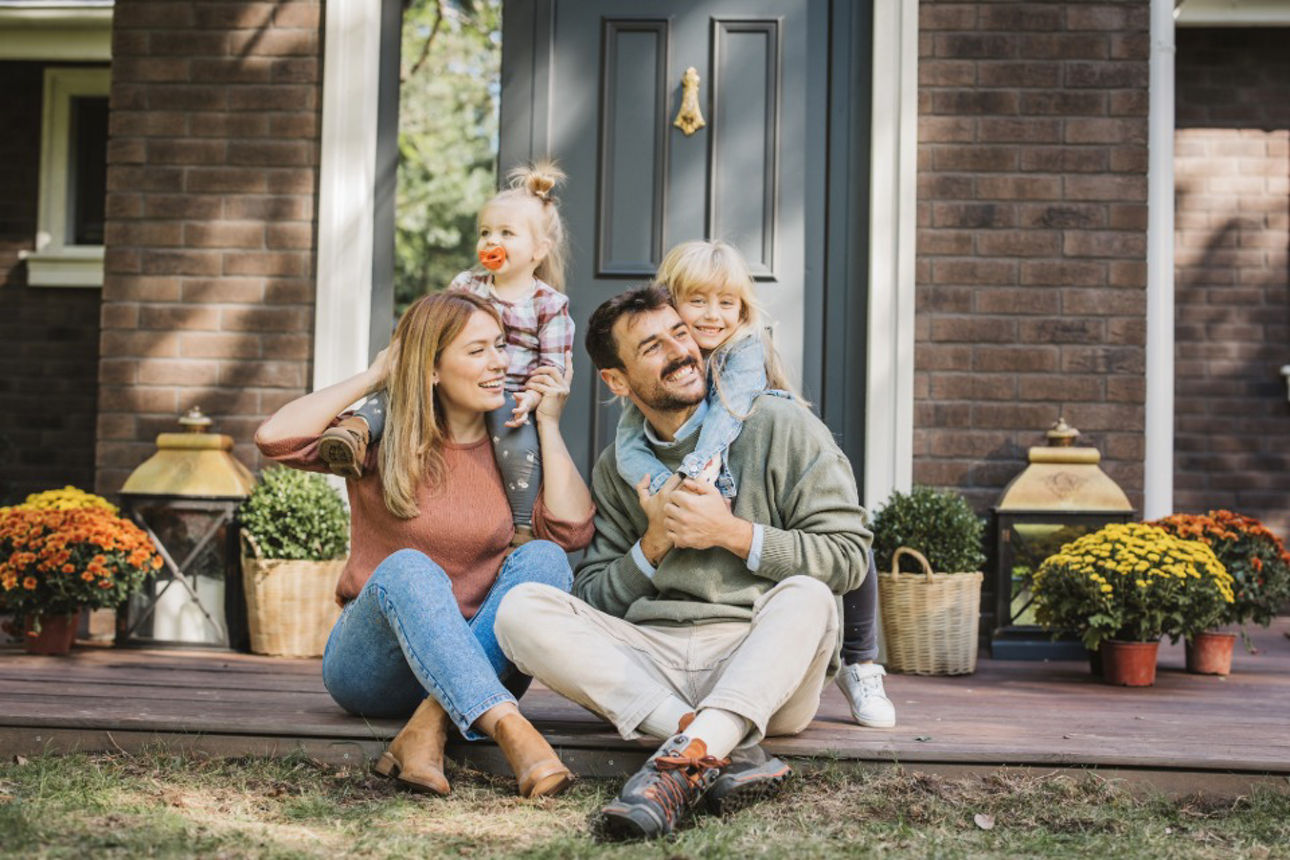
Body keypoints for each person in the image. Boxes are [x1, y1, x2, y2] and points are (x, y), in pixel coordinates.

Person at [494, 285, 873, 838]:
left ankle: (686, 753)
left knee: (810, 595)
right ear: (617, 381)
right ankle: (711, 744)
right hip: (654, 666)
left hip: (764, 663)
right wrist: (653, 542)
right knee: (520, 610)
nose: (681, 351)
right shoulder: (618, 467)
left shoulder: (779, 426)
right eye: (652, 346)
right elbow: (594, 595)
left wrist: (732, 533)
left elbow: (847, 556)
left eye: (680, 332)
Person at [254, 291, 594, 799]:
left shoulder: (515, 445)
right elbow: (275, 438)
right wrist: (376, 376)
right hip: (375, 668)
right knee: (410, 568)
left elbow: (571, 532)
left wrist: (548, 423)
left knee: (543, 558)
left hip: (480, 658)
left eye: (500, 346)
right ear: (431, 370)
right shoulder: (375, 437)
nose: (500, 362)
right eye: (477, 351)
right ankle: (512, 730)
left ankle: (427, 727)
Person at [616, 241, 895, 730]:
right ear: (668, 304)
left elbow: (728, 418)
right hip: (669, 642)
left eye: (727, 303)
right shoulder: (655, 378)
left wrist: (698, 475)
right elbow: (627, 442)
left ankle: (862, 662)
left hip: (757, 473)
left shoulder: (743, 356)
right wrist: (660, 496)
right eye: (697, 301)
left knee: (849, 542)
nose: (712, 316)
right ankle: (690, 722)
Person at [318, 163, 575, 546]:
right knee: (398, 391)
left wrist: (533, 398)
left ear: (539, 250)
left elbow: (552, 364)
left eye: (506, 233)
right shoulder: (466, 286)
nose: (491, 241)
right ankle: (354, 434)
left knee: (519, 447)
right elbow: (442, 327)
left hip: (510, 394)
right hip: (456, 382)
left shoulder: (549, 304)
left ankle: (521, 529)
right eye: (485, 232)